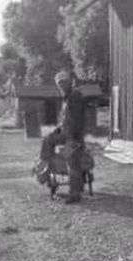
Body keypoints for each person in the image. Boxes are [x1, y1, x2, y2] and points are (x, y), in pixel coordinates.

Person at [39, 69, 86, 204]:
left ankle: (75, 194)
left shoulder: (75, 96)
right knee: (48, 139)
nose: (61, 86)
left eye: (64, 82)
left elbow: (76, 121)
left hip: (74, 137)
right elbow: (65, 121)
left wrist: (72, 139)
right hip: (66, 133)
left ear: (70, 82)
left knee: (72, 163)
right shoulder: (67, 98)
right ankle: (46, 167)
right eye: (59, 84)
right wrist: (57, 130)